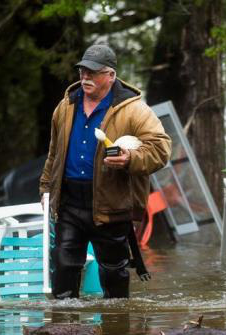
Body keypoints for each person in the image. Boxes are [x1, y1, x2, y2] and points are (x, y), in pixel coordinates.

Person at [39, 44, 171, 299]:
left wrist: (130, 158)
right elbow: (54, 154)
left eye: (93, 72)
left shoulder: (134, 109)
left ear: (110, 75)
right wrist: (46, 188)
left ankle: (116, 332)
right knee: (64, 265)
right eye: (82, 71)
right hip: (69, 201)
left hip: (112, 202)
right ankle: (64, 330)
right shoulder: (65, 107)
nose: (85, 77)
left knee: (113, 272)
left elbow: (161, 149)